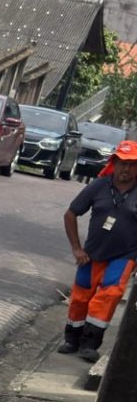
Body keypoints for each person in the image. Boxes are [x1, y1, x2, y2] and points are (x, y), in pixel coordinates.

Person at [63, 138, 137, 363]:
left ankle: (90, 344)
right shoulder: (99, 186)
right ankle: (72, 340)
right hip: (91, 254)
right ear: (114, 163)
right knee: (80, 297)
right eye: (122, 162)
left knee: (109, 295)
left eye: (132, 164)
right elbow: (70, 214)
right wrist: (76, 248)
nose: (126, 168)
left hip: (124, 256)